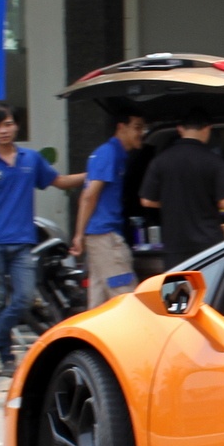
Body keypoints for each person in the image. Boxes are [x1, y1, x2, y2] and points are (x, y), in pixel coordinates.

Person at [0, 106, 83, 375]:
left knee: (24, 297)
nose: (3, 130)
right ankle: (7, 359)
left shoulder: (31, 159)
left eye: (8, 124)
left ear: (16, 126)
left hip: (22, 243)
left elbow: (59, 181)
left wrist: (93, 176)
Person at [138, 108, 224, 268]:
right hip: (209, 242)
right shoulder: (215, 161)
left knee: (178, 283)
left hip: (174, 243)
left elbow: (146, 201)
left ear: (180, 129)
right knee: (209, 283)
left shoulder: (160, 161)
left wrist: (171, 201)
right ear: (207, 129)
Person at [71, 112, 146, 308]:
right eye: (137, 127)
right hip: (106, 238)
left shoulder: (112, 154)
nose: (142, 133)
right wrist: (79, 235)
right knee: (127, 301)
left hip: (99, 238)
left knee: (99, 305)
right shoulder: (109, 153)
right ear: (121, 127)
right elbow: (89, 196)